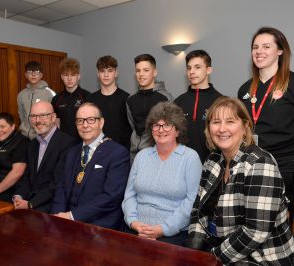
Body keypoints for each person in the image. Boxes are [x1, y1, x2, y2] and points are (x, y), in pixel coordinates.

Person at [185, 96, 294, 265]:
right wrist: (193, 249)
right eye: (215, 122)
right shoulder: (212, 161)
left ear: (245, 127)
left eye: (230, 121)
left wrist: (212, 258)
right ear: (209, 129)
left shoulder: (260, 163)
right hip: (220, 245)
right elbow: (197, 210)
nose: (222, 129)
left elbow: (256, 232)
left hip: (261, 257)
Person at [238, 27, 294, 226]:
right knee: (252, 223)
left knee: (280, 227)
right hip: (252, 165)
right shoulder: (245, 89)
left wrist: (293, 159)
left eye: (266, 46)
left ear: (280, 51)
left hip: (284, 167)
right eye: (255, 47)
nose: (259, 51)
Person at [122, 102, 202, 246]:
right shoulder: (141, 156)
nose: (161, 129)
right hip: (136, 230)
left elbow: (191, 202)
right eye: (156, 125)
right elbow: (129, 194)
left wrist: (162, 229)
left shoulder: (190, 158)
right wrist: (133, 222)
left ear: (178, 131)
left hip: (172, 236)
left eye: (167, 125)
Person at [51, 102, 130, 230]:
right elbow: (61, 187)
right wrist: (56, 217)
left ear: (101, 122)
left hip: (99, 226)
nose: (85, 125)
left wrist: (72, 216)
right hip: (67, 222)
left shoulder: (118, 153)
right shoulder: (71, 152)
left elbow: (111, 197)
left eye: (91, 120)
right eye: (80, 121)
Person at [13, 101, 76, 213]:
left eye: (43, 115)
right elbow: (26, 177)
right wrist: (19, 196)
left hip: (51, 205)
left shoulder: (68, 144)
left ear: (53, 117)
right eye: (33, 116)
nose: (37, 120)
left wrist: (31, 204)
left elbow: (58, 183)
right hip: (28, 201)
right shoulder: (32, 144)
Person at [175, 49, 222, 163]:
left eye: (197, 67)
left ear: (208, 70)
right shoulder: (177, 102)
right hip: (182, 164)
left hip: (213, 165)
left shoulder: (221, 101)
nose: (192, 71)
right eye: (189, 68)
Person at [126, 54, 173, 161]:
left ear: (155, 72)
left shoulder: (165, 98)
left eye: (146, 70)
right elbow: (133, 125)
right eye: (138, 70)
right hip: (135, 154)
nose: (141, 74)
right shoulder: (130, 99)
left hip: (158, 154)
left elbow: (169, 129)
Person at [87, 55, 132, 150]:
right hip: (96, 151)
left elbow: (132, 130)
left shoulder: (127, 99)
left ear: (116, 73)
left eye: (110, 71)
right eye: (102, 71)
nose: (106, 75)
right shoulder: (91, 99)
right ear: (98, 74)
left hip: (121, 152)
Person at [52, 57, 90, 141]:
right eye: (66, 75)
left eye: (73, 75)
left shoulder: (88, 96)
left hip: (83, 142)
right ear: (62, 76)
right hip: (63, 143)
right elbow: (56, 125)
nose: (69, 79)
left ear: (78, 76)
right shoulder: (56, 99)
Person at [17, 61, 56, 139]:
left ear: (41, 75)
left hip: (42, 136)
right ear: (26, 75)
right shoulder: (21, 94)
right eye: (30, 72)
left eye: (36, 72)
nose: (33, 74)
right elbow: (21, 115)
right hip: (24, 136)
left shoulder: (50, 93)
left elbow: (54, 117)